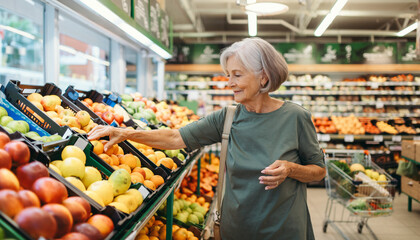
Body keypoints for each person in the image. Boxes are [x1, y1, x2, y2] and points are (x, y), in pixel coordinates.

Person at [88, 37, 326, 240]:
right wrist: (126, 133)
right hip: (237, 229)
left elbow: (319, 170)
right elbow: (174, 138)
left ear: (263, 77)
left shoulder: (296, 117)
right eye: (228, 75)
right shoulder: (228, 117)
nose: (229, 83)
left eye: (237, 75)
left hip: (284, 230)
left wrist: (290, 168)